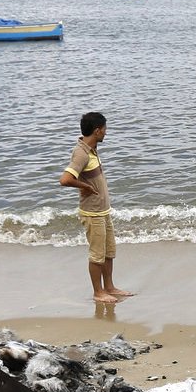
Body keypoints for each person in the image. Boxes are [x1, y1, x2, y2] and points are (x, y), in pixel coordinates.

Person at [59, 111, 129, 303]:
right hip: (92, 213)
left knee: (109, 252)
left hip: (103, 211)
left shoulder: (92, 149)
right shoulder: (81, 153)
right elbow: (65, 179)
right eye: (105, 130)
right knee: (97, 255)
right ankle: (98, 293)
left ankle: (110, 287)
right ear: (97, 131)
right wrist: (85, 186)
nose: (106, 133)